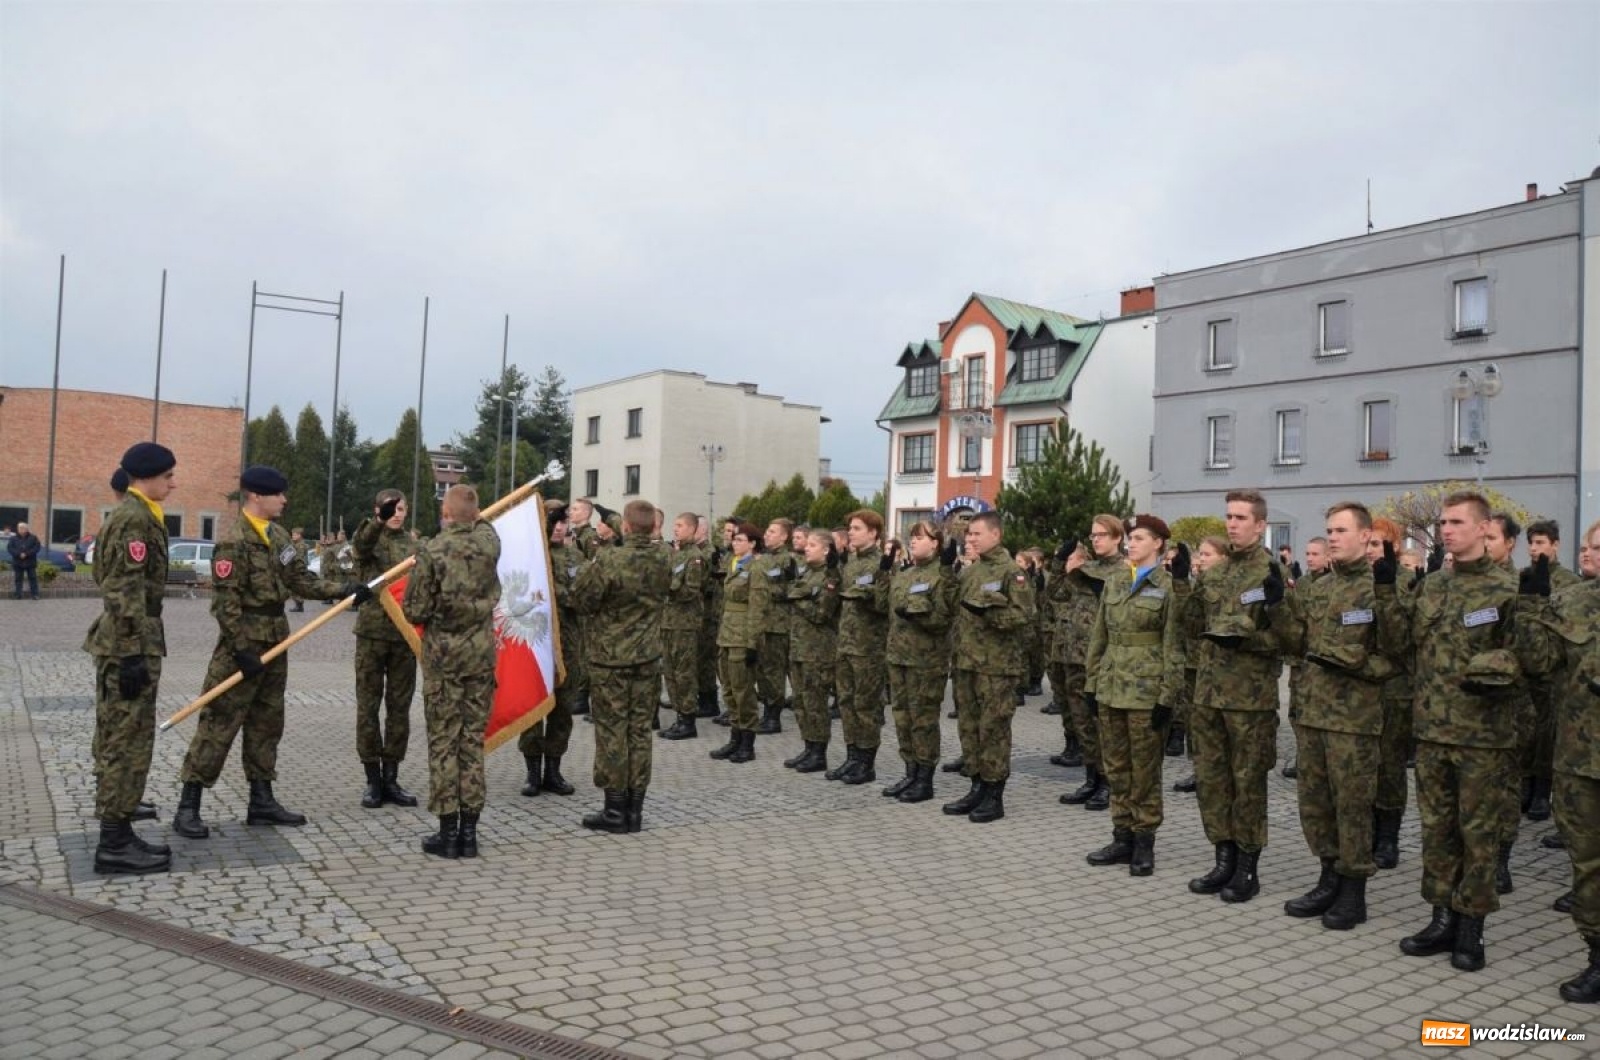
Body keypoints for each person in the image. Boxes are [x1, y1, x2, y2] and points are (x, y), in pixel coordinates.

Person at [1394, 491, 1557, 972]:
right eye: (1443, 522)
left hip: (1485, 736)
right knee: (1436, 831)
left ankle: (1471, 929)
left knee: (1478, 835)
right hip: (1431, 733)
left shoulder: (1508, 589)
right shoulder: (1433, 588)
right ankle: (1441, 918)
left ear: (1484, 530)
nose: (1446, 529)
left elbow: (1536, 664)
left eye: (1457, 522)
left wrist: (1531, 613)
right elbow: (1407, 649)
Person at [172, 466, 367, 839]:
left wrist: (345, 590)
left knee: (267, 722)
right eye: (278, 494)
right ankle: (188, 805)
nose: (284, 499)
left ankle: (261, 800)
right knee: (219, 722)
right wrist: (240, 648)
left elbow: (300, 581)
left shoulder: (279, 536)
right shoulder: (234, 540)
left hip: (276, 638)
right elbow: (225, 603)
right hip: (242, 645)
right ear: (256, 496)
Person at [1274, 503, 1406, 931]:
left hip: (1353, 718)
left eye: (1341, 530)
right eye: (1328, 529)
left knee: (1352, 806)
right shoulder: (1317, 587)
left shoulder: (1380, 588)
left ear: (1366, 536)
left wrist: (1354, 667)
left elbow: (1398, 656)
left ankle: (1354, 891)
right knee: (1315, 803)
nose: (1331, 537)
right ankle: (1328, 877)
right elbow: (1295, 642)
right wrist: (1277, 607)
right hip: (1312, 712)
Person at [1181, 488, 1284, 903]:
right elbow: (1190, 626)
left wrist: (1267, 618)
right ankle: (1222, 859)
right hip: (1208, 694)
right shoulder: (1216, 573)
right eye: (1229, 516)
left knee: (1248, 783)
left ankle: (1246, 867)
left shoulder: (1268, 574)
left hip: (1249, 699)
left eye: (1241, 517)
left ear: (1260, 525)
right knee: (1212, 781)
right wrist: (1185, 583)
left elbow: (1285, 641)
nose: (1232, 523)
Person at [85, 443, 178, 875]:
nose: (172, 484)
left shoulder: (135, 515)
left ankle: (120, 829)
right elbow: (121, 587)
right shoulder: (135, 519)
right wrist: (131, 653)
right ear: (149, 477)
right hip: (129, 643)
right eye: (168, 476)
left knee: (124, 736)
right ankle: (114, 842)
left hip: (133, 638)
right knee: (127, 740)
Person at [1083, 516, 1188, 874]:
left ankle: (1145, 841)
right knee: (1116, 766)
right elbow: (1099, 637)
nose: (1132, 544)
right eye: (1130, 538)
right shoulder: (1114, 582)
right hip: (1112, 688)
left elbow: (1174, 647)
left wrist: (1167, 697)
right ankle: (1121, 835)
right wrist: (1090, 685)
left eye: (1140, 538)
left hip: (1146, 692)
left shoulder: (1168, 586)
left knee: (1145, 771)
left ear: (1158, 544)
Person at [402, 485, 500, 858]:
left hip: (445, 660)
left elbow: (414, 609)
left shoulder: (433, 550)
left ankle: (447, 833)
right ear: (475, 515)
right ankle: (470, 833)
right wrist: (475, 514)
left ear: (445, 511)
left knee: (444, 743)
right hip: (480, 656)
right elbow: (486, 526)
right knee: (472, 741)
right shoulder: (490, 545)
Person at [573, 500, 670, 832]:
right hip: (647, 658)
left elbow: (582, 599)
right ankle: (634, 810)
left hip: (611, 660)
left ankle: (614, 810)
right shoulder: (664, 557)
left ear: (626, 527)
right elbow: (639, 532)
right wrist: (616, 518)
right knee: (640, 732)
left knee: (613, 732)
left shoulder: (610, 559)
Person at [942, 511, 1033, 823]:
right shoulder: (970, 571)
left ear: (996, 534)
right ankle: (976, 786)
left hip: (996, 666)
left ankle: (994, 795)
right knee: (969, 726)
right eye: (969, 535)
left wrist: (988, 615)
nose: (971, 539)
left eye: (977, 533)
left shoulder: (1012, 572)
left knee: (992, 729)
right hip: (966, 662)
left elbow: (1022, 615)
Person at [1545, 519, 1600, 1002]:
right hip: (1581, 760)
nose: (1597, 556)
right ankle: (1597, 957)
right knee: (1587, 864)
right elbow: (1538, 663)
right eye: (1595, 548)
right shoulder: (1573, 603)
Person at [350, 489, 420, 809]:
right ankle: (372, 780)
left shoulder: (414, 544)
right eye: (390, 508)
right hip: (372, 635)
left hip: (404, 636)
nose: (397, 513)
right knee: (368, 709)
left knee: (399, 710)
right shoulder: (368, 538)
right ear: (378, 509)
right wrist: (377, 522)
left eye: (401, 508)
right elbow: (361, 546)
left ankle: (392, 777)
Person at [1055, 516, 1126, 810]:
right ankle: (1091, 778)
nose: (1096, 540)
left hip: (1102, 660)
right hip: (1073, 657)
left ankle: (1108, 783)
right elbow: (1054, 597)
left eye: (1102, 535)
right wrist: (1060, 565)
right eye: (1093, 535)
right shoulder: (1085, 569)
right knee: (1082, 723)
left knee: (1103, 726)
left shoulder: (1124, 571)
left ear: (1117, 538)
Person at [882, 520, 955, 803]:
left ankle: (925, 779)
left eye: (920, 537)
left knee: (923, 720)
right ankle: (910, 771)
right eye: (911, 537)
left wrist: (916, 613)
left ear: (935, 543)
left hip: (926, 660)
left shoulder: (942, 576)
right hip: (898, 657)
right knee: (902, 717)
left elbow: (943, 619)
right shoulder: (904, 575)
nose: (913, 541)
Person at [519, 500, 579, 797]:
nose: (559, 527)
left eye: (563, 521)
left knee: (562, 709)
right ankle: (532, 772)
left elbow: (581, 596)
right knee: (532, 707)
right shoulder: (529, 558)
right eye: (554, 521)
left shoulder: (573, 557)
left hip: (568, 644)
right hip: (536, 641)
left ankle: (553, 770)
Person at [1522, 519, 1580, 824]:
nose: (1534, 549)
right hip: (1527, 670)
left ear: (1555, 545)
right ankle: (1526, 783)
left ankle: (1543, 790)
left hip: (1553, 672)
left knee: (1548, 733)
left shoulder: (1570, 583)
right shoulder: (1524, 577)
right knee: (1527, 731)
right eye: (1531, 543)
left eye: (1541, 543)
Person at [829, 510, 891, 784]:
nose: (850, 532)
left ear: (873, 533)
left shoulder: (881, 564)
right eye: (850, 527)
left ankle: (866, 762)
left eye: (856, 528)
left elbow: (884, 606)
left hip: (869, 647)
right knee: (846, 702)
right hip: (845, 644)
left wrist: (873, 593)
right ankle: (852, 756)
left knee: (866, 705)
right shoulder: (851, 562)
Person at [1368, 517, 1416, 869]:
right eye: (1367, 543)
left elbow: (1400, 641)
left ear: (1394, 546)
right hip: (1360, 690)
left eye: (1378, 544)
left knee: (1390, 766)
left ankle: (1388, 836)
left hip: (1394, 689)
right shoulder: (1355, 581)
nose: (1371, 551)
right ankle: (1365, 830)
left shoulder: (1406, 583)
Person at [784, 528, 844, 773]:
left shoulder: (831, 578)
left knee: (815, 702)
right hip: (799, 647)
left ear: (826, 550)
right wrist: (795, 589)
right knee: (801, 702)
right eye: (806, 544)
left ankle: (819, 753)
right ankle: (808, 747)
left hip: (818, 650)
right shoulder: (807, 573)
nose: (806, 548)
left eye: (812, 545)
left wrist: (797, 598)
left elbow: (821, 614)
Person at [1170, 536, 1227, 794]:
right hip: (1194, 661)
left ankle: (1220, 773)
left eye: (1207, 555)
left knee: (1217, 723)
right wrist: (1180, 582)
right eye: (1200, 555)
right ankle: (1199, 770)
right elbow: (1186, 618)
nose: (1200, 560)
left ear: (1223, 557)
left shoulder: (1229, 585)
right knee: (1195, 720)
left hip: (1221, 666)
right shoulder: (1200, 584)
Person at [710, 522, 762, 763]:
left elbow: (757, 608)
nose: (735, 543)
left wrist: (752, 642)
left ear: (752, 543)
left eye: (741, 540)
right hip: (727, 635)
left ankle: (747, 743)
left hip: (742, 636)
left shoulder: (756, 568)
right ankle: (735, 737)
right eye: (734, 539)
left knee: (743, 692)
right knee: (729, 690)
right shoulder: (733, 564)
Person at [1281, 536, 1331, 781]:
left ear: (1327, 556)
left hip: (1322, 657)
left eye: (1316, 554)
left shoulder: (1334, 583)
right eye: (1308, 554)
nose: (1311, 558)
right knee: (1295, 709)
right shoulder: (1301, 583)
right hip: (1300, 657)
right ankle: (1303, 754)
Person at [659, 511, 708, 741]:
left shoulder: (694, 556)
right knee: (669, 671)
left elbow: (691, 589)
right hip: (669, 621)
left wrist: (668, 588)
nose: (675, 529)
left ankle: (688, 720)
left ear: (692, 529)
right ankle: (680, 716)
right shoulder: (675, 554)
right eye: (675, 525)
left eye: (680, 525)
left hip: (685, 623)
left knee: (684, 672)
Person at [748, 519, 798, 734]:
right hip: (762, 623)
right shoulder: (763, 560)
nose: (766, 535)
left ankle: (773, 716)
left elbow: (792, 591)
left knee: (774, 671)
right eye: (766, 531)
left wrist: (766, 590)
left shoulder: (789, 560)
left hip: (778, 624)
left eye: (772, 531)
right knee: (762, 670)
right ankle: (767, 709)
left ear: (784, 537)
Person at [8, 521, 41, 600]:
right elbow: (10, 548)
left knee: (33, 578)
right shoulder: (13, 538)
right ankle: (18, 595)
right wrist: (19, 554)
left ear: (26, 529)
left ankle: (35, 595)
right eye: (19, 528)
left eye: (22, 528)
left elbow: (37, 548)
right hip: (18, 562)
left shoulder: (33, 537)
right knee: (18, 579)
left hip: (30, 562)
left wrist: (26, 554)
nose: (20, 529)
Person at [288, 528, 310, 612]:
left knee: (297, 586)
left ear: (299, 535)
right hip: (295, 568)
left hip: (298, 568)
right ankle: (297, 604)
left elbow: (299, 558)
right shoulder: (295, 544)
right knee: (294, 586)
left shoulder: (300, 545)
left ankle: (299, 604)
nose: (292, 536)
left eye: (294, 534)